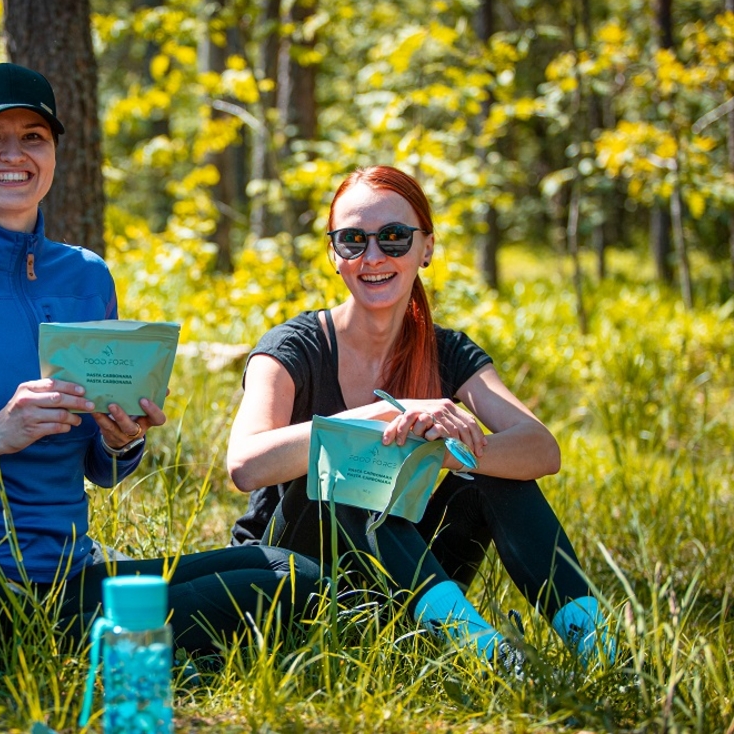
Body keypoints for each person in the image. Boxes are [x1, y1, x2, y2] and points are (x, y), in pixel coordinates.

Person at [0, 63, 321, 655]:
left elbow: (102, 469)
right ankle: (116, 640)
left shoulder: (87, 277)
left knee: (290, 575)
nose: (13, 153)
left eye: (32, 137)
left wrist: (120, 441)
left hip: (63, 576)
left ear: (55, 153)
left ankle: (72, 637)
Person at [226, 165, 614, 669]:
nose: (373, 257)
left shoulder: (448, 352)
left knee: (493, 473)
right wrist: (390, 416)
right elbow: (245, 465)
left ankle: (599, 650)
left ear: (425, 248)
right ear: (333, 254)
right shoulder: (293, 348)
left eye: (394, 237)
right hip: (293, 579)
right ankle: (487, 655)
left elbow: (542, 450)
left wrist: (449, 450)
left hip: (405, 585)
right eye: (352, 240)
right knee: (356, 462)